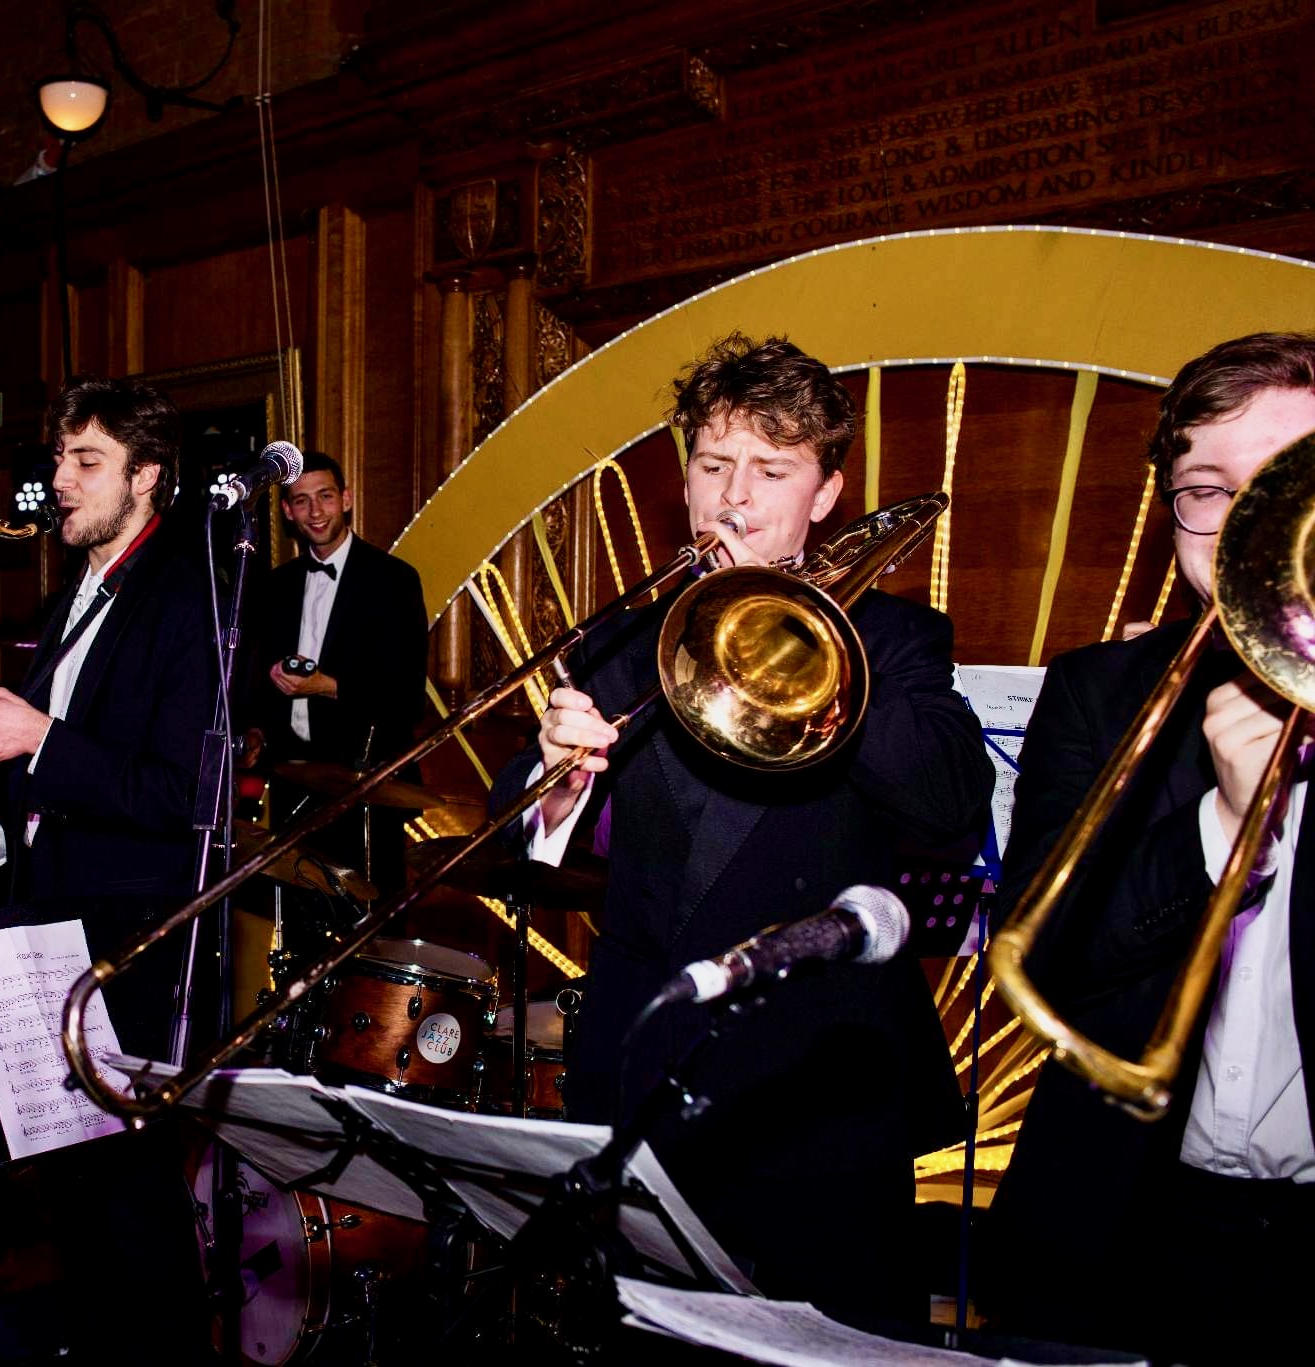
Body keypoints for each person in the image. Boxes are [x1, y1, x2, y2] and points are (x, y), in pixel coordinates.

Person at [492, 334, 988, 1319]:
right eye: (712, 465)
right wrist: (554, 787)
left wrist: (817, 655)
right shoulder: (625, 636)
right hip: (648, 1069)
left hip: (821, 1087)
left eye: (770, 470)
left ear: (826, 492)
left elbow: (947, 802)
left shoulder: (892, 639)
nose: (733, 498)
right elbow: (522, 829)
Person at [981, 332, 1315, 1364]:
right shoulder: (1097, 691)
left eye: (1285, 483)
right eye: (1207, 489)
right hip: (1121, 1224)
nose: (1248, 524)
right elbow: (1043, 957)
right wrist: (1217, 825)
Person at [0, 375, 218, 1359]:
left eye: (85, 461)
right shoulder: (73, 594)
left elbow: (180, 793)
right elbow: (49, 766)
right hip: (54, 923)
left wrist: (40, 736)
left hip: (133, 945)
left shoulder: (187, 594)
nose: (57, 478)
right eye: (59, 458)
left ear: (146, 477)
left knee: (134, 1206)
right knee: (76, 1200)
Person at [244, 450, 428, 888]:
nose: (315, 511)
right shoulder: (275, 585)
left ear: (346, 499)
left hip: (368, 789)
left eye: (324, 496)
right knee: (302, 928)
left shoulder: (393, 580)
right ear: (287, 511)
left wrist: (328, 686)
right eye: (301, 500)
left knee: (369, 926)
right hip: (292, 787)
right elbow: (258, 682)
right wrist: (256, 731)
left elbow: (406, 696)